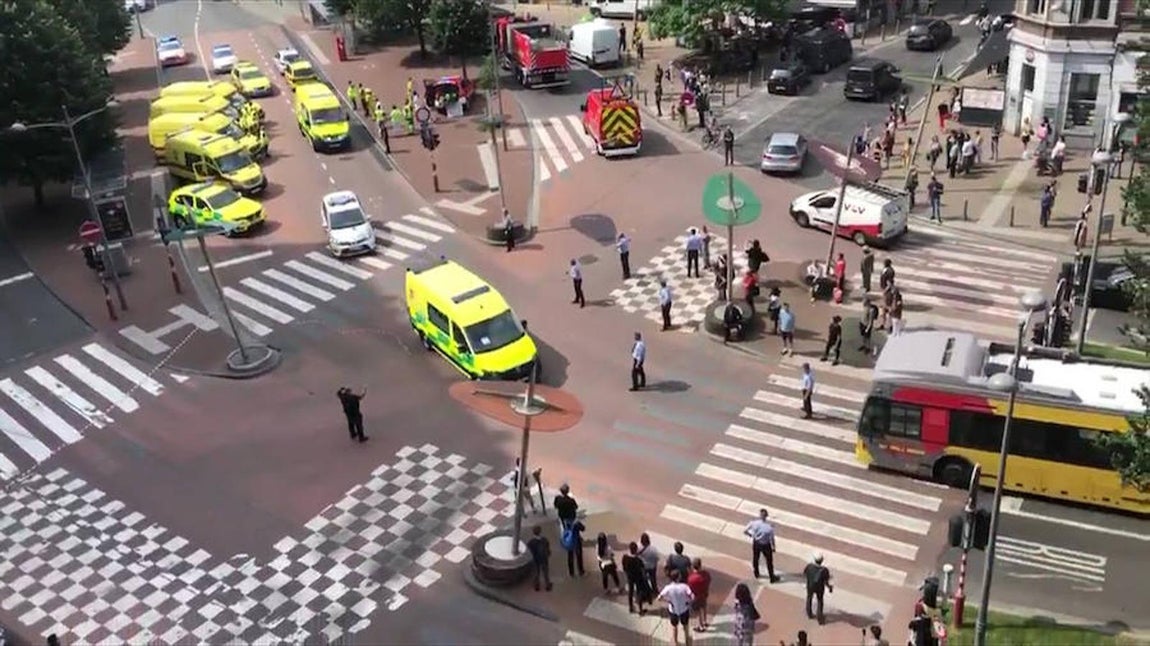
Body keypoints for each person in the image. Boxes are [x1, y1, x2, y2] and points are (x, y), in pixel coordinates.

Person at [658, 570, 696, 646]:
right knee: (685, 626)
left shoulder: (668, 588)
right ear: (678, 577)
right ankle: (687, 642)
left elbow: (659, 598)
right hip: (684, 609)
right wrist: (689, 601)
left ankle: (675, 642)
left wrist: (668, 601)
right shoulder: (684, 586)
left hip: (673, 610)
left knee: (674, 626)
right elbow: (692, 596)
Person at [743, 508, 779, 582]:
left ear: (760, 515)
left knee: (756, 558)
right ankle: (772, 577)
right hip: (766, 545)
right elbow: (772, 539)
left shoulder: (754, 523)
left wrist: (751, 535)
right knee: (769, 561)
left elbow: (745, 531)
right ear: (766, 516)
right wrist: (773, 547)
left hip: (756, 543)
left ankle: (756, 573)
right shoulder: (769, 528)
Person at [803, 552, 833, 624]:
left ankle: (809, 613)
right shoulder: (824, 570)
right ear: (822, 560)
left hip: (810, 586)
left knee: (809, 598)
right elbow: (826, 581)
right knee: (820, 601)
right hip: (819, 588)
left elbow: (805, 574)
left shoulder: (809, 566)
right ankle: (820, 618)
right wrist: (829, 587)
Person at [622, 542, 651, 614]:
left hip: (630, 577)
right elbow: (643, 569)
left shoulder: (625, 557)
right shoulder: (638, 560)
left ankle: (631, 607)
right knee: (639, 592)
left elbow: (624, 568)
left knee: (631, 592)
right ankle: (640, 609)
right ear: (636, 550)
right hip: (638, 577)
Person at [687, 558, 712, 633]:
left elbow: (690, 588)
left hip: (696, 596)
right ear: (700, 565)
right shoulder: (706, 574)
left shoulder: (691, 578)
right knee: (704, 607)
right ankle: (705, 621)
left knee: (698, 611)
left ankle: (700, 626)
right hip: (704, 594)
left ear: (693, 566)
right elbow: (709, 581)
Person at [527, 525, 552, 591]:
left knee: (536, 572)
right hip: (544, 558)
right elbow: (548, 548)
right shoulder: (544, 540)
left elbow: (529, 551)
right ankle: (547, 585)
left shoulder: (531, 542)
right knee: (545, 572)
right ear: (540, 532)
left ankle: (537, 586)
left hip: (535, 559)